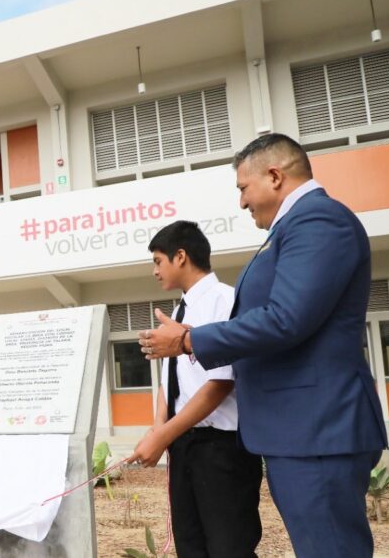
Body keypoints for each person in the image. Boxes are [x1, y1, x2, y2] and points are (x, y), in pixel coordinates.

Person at [140, 134, 387, 558]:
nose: (241, 202)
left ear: (274, 176)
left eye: (242, 188)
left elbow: (285, 318)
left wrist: (188, 340)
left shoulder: (318, 221)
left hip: (317, 429)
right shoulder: (293, 229)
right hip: (297, 432)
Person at [128, 221, 262, 557]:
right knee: (190, 544)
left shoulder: (226, 301)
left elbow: (220, 383)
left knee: (228, 546)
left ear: (181, 256)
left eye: (158, 261)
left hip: (221, 450)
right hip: (183, 445)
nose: (155, 271)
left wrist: (163, 435)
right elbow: (167, 382)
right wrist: (160, 432)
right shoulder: (177, 312)